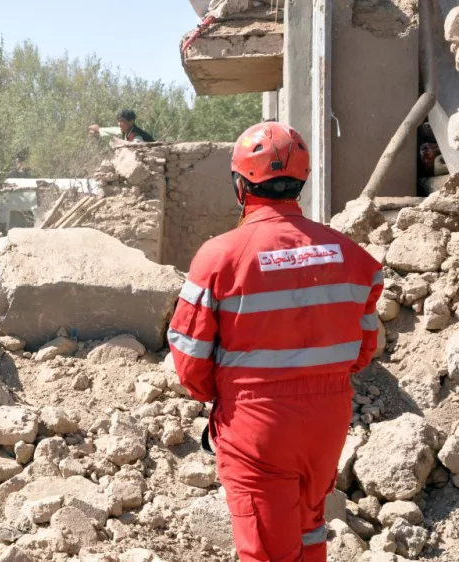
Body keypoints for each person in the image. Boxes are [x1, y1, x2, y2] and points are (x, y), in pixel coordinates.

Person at [167, 121, 383, 562]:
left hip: (257, 423)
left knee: (266, 549)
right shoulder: (353, 257)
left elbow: (190, 361)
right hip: (327, 420)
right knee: (308, 528)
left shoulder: (219, 257)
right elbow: (363, 351)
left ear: (240, 185)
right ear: (300, 182)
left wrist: (225, 397)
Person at [88, 109, 155, 143]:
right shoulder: (126, 130)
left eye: (122, 121)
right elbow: (113, 130)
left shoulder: (136, 135)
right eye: (118, 121)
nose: (119, 124)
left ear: (131, 122)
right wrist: (98, 130)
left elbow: (137, 146)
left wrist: (119, 143)